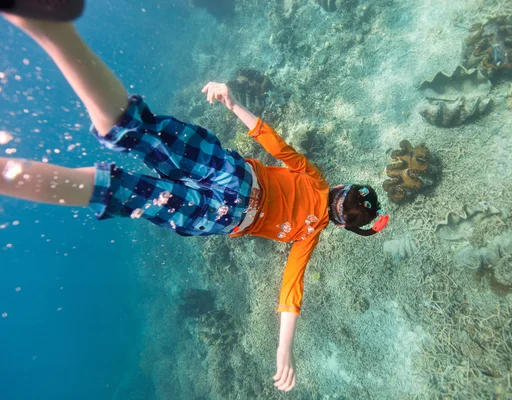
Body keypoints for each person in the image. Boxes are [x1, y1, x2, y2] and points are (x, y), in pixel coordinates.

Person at [0, 5, 388, 393]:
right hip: (225, 216)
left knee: (137, 128)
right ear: (340, 223)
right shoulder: (308, 237)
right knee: (119, 192)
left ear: (341, 189)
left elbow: (274, 142)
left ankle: (56, 32)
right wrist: (283, 350)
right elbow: (291, 290)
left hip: (233, 173)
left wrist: (231, 102)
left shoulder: (316, 178)